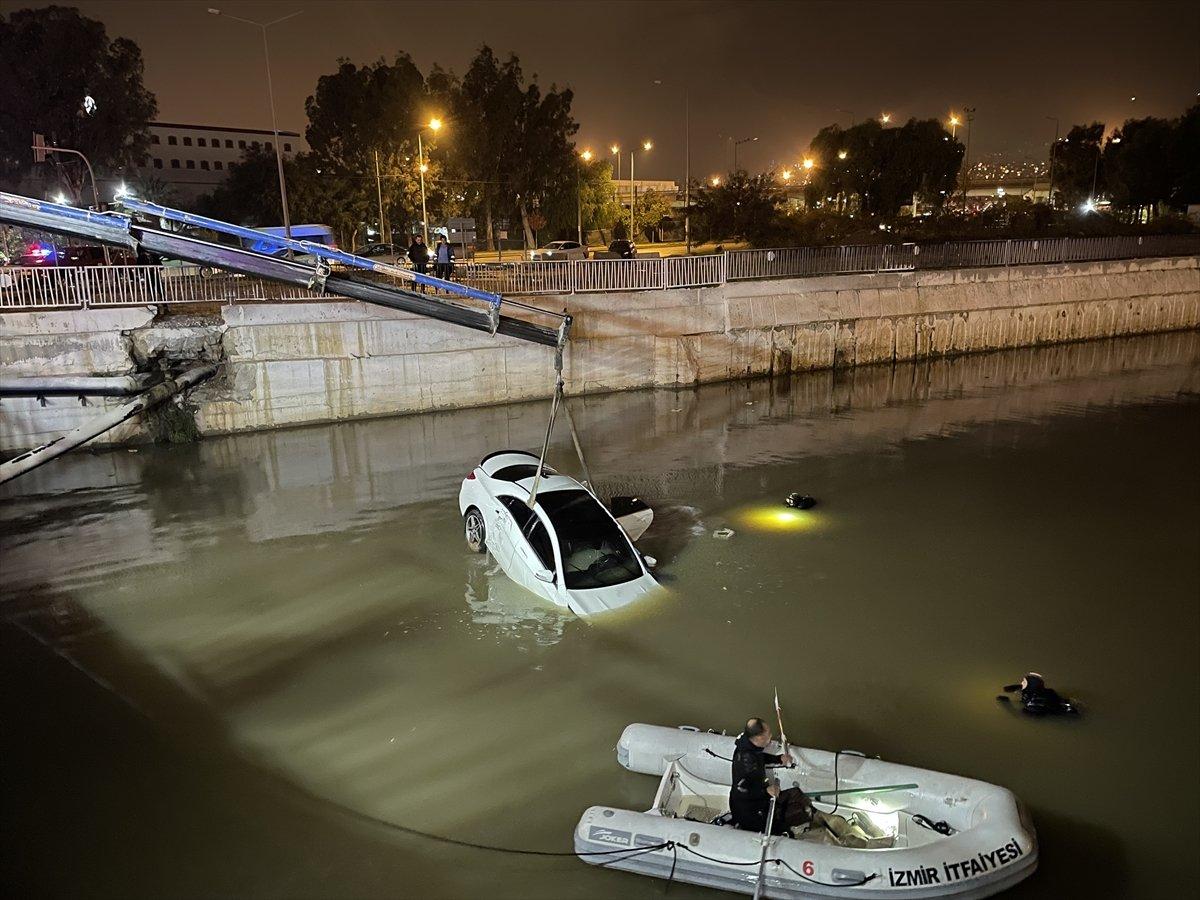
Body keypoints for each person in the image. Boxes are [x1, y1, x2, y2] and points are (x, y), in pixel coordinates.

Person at [729, 717, 885, 847]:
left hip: (762, 799)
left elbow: (760, 758)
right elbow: (740, 789)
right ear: (758, 738)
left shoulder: (749, 746)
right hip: (750, 811)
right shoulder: (745, 761)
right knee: (795, 817)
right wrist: (765, 791)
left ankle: (824, 819)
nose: (771, 735)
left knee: (796, 794)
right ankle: (837, 841)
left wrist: (778, 759)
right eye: (768, 734)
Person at [1000, 672, 1079, 716]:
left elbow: (1021, 715)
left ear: (1029, 687)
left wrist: (1007, 704)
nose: (1021, 683)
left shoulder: (1034, 703)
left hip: (1064, 713)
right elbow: (1025, 688)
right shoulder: (1044, 690)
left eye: (1023, 682)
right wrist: (1011, 688)